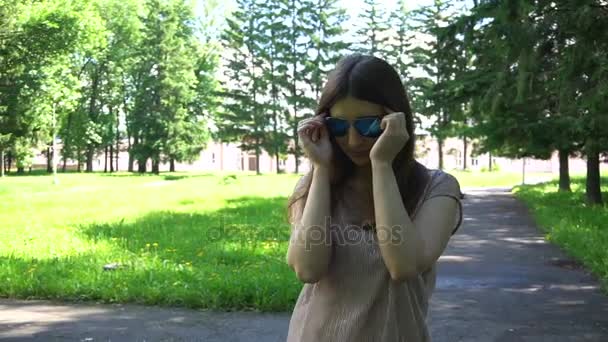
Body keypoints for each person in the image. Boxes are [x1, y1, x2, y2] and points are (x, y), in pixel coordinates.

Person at [285, 54, 463, 342]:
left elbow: (403, 265)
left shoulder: (436, 188)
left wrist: (381, 164)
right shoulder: (314, 187)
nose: (353, 141)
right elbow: (308, 268)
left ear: (394, 121)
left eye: (368, 126)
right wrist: (320, 170)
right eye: (340, 127)